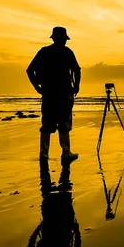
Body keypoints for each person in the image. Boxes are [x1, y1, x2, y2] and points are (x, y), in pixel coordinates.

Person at [27, 26, 81, 162]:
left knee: (47, 124)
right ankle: (66, 153)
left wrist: (37, 87)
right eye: (64, 39)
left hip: (49, 94)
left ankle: (44, 154)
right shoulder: (67, 52)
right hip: (64, 94)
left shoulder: (44, 52)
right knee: (64, 123)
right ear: (63, 39)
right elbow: (77, 70)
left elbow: (29, 70)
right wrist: (76, 86)